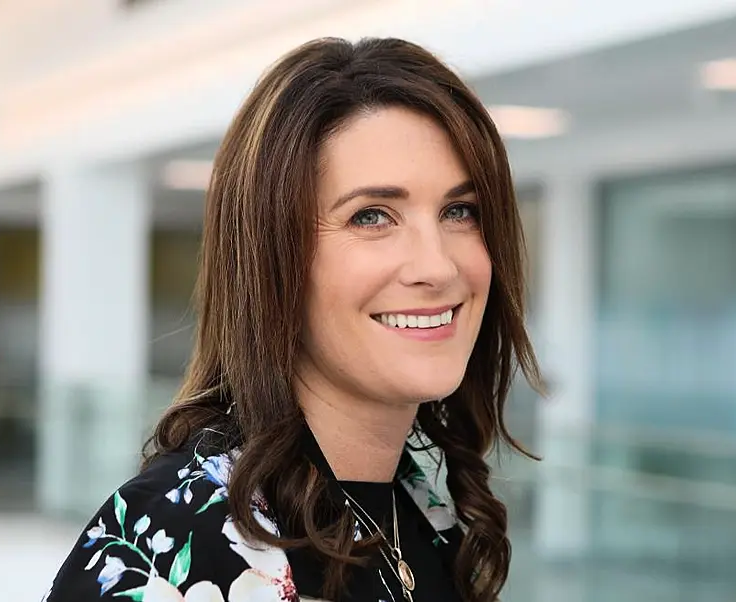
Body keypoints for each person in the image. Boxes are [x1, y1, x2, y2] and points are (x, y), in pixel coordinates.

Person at [44, 36, 542, 602]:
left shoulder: (429, 506)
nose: (437, 265)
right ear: (269, 259)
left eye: (460, 211)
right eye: (372, 216)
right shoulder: (169, 547)